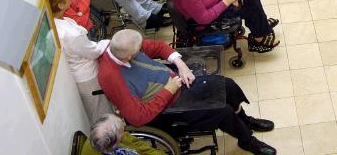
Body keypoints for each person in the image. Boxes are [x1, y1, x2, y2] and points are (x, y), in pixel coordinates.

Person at [98, 30, 277, 155]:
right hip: (166, 111)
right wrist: (169, 90)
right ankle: (247, 140)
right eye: (139, 51)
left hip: (178, 84)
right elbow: (137, 117)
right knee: (222, 111)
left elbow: (159, 47)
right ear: (128, 56)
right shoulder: (111, 76)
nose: (143, 49)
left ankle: (246, 121)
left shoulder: (122, 46)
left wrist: (181, 65)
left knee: (227, 85)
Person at [43, 0, 114, 123]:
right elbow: (92, 51)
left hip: (79, 72)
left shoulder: (56, 22)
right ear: (61, 5)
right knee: (101, 113)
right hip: (88, 77)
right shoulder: (70, 34)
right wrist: (109, 42)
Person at [82, 113, 166, 155]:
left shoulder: (95, 139)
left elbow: (139, 145)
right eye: (120, 131)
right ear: (114, 144)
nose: (123, 132)